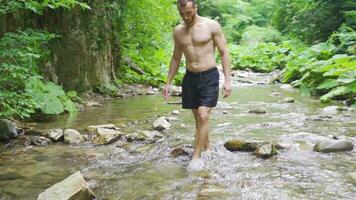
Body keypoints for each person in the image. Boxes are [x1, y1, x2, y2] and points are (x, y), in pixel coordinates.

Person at [163, 0, 232, 170]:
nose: (185, 17)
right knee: (198, 118)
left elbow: (224, 52)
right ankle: (207, 148)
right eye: (182, 14)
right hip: (190, 78)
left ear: (195, 8)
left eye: (188, 13)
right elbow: (176, 57)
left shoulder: (211, 26)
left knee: (203, 115)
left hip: (209, 75)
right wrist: (168, 82)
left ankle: (196, 157)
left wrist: (228, 80)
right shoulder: (178, 31)